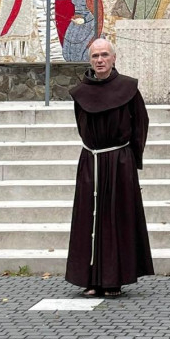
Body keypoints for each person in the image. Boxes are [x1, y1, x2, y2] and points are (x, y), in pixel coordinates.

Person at [66, 38, 154, 297]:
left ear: (114, 58)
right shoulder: (80, 92)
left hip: (119, 161)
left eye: (104, 55)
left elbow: (140, 124)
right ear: (90, 60)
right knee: (88, 219)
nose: (100, 60)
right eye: (95, 56)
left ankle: (114, 279)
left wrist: (131, 159)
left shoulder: (128, 88)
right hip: (91, 159)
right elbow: (81, 124)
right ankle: (90, 279)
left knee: (117, 219)